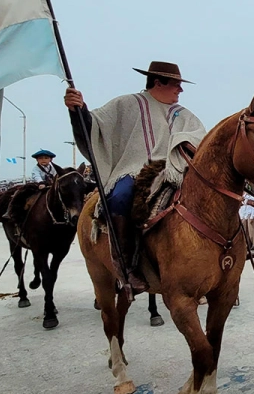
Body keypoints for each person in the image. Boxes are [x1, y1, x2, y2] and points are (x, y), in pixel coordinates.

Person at [64, 61, 206, 297]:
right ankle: (126, 265)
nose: (180, 90)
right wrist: (77, 110)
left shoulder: (185, 116)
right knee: (119, 197)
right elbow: (94, 127)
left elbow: (201, 140)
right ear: (158, 82)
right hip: (134, 168)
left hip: (176, 170)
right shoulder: (126, 104)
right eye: (176, 85)